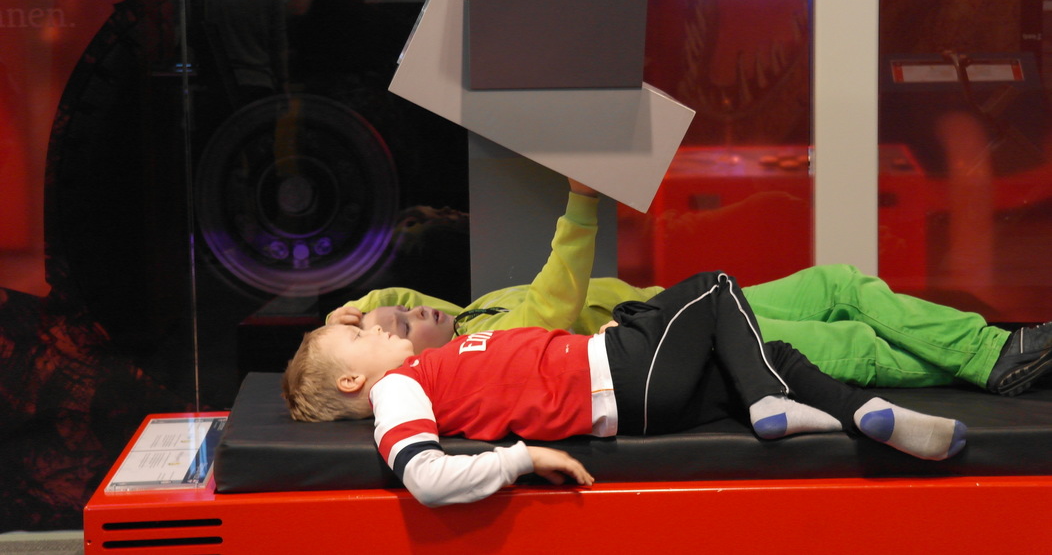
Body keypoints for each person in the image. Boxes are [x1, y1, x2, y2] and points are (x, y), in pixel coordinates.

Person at [283, 270, 967, 507]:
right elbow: (425, 478)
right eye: (360, 335)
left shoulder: (431, 359)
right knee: (715, 288)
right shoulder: (400, 392)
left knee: (771, 352)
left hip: (627, 387)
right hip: (619, 378)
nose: (375, 325)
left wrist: (344, 317)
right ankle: (769, 403)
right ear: (353, 378)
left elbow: (397, 306)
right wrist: (522, 458)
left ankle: (867, 414)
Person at [327, 180, 1052, 396]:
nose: (405, 310)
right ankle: (990, 363)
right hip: (683, 340)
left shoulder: (462, 320)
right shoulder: (484, 347)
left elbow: (405, 300)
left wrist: (357, 308)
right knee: (850, 346)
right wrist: (582, 201)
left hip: (680, 305)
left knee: (837, 284)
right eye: (396, 327)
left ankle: (990, 352)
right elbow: (554, 299)